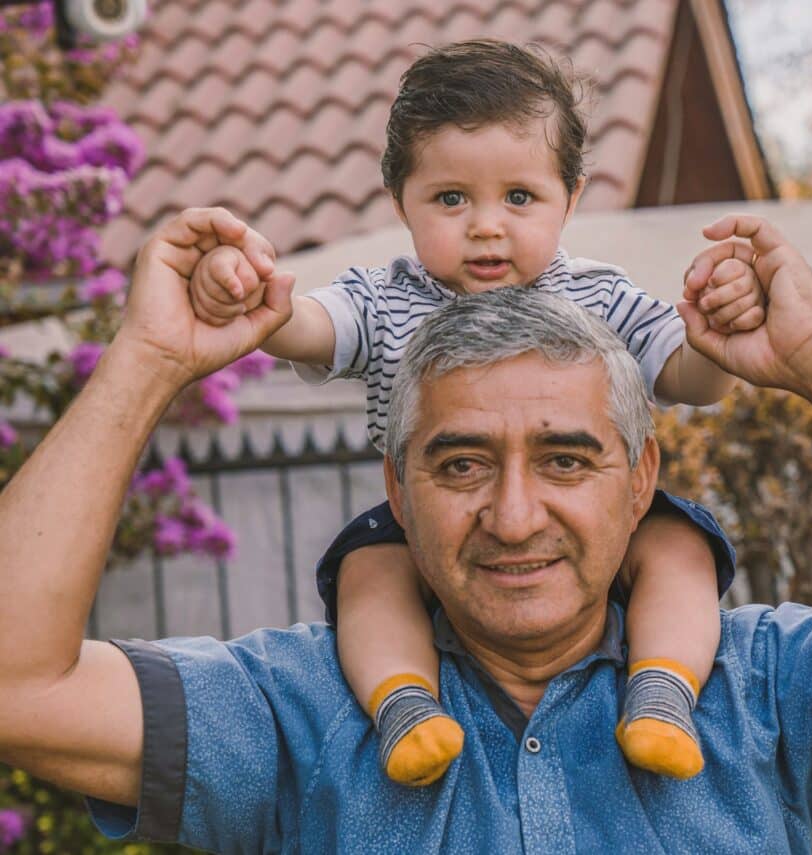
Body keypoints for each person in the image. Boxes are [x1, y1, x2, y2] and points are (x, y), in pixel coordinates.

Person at [2, 208, 812, 853]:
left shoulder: (763, 691)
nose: (514, 516)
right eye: (460, 464)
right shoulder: (293, 718)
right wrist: (144, 360)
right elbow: (17, 688)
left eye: (567, 458)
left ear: (641, 482)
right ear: (396, 494)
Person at [187, 39, 762, 786]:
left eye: (519, 197)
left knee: (681, 547)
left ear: (571, 198)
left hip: (596, 520)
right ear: (401, 203)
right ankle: (404, 705)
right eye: (451, 198)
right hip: (430, 525)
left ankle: (661, 689)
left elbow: (690, 376)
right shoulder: (384, 295)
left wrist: (720, 334)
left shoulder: (598, 294)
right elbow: (310, 327)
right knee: (368, 569)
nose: (487, 225)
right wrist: (254, 298)